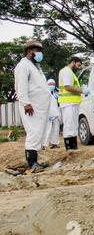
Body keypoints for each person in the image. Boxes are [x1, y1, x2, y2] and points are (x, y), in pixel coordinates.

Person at [14, 40, 50, 172]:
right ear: (29, 51)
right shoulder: (23, 66)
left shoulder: (36, 67)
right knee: (33, 132)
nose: (40, 54)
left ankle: (35, 161)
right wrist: (26, 103)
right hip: (31, 106)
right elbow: (20, 86)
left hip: (39, 107)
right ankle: (32, 164)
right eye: (37, 51)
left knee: (38, 132)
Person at [58, 56, 89, 150]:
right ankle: (70, 148)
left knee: (74, 126)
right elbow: (67, 87)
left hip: (73, 103)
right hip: (68, 103)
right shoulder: (66, 71)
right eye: (78, 65)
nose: (79, 67)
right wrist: (82, 90)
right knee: (69, 125)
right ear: (73, 62)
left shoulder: (70, 73)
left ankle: (73, 147)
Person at [43, 79, 60, 149]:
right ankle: (44, 144)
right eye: (50, 84)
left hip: (56, 114)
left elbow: (58, 104)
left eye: (53, 84)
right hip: (48, 114)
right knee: (47, 130)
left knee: (56, 130)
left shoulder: (56, 94)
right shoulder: (45, 94)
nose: (51, 86)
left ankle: (55, 143)